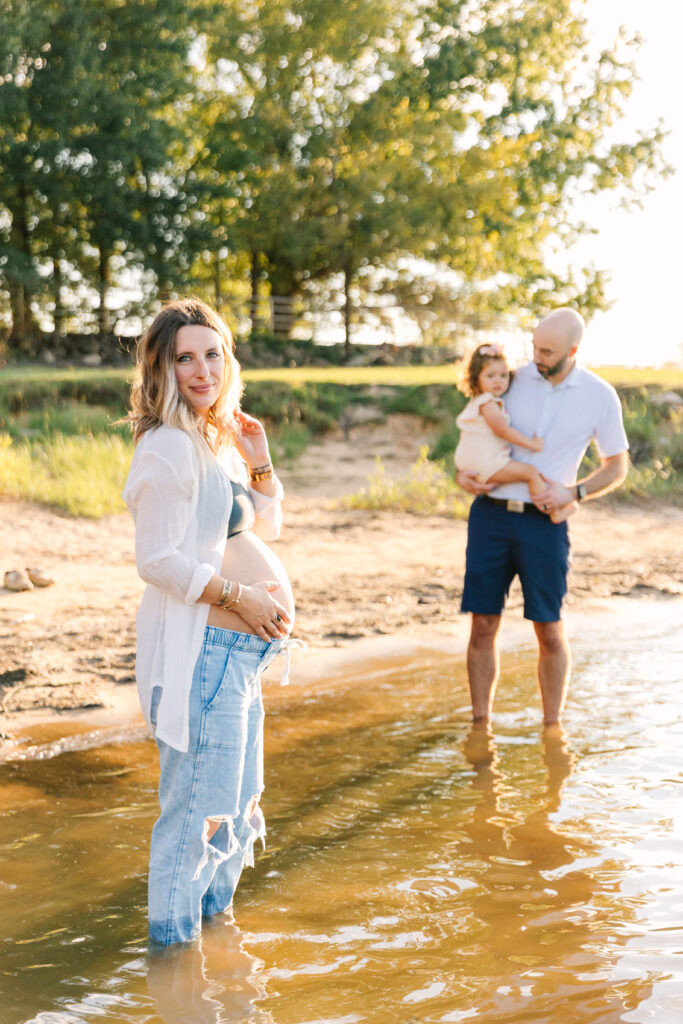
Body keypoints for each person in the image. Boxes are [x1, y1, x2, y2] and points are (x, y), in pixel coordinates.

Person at [122, 297, 295, 947]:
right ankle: (172, 960)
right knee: (193, 820)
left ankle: (213, 955)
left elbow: (266, 523)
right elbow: (156, 561)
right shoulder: (167, 446)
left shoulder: (210, 440)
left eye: (212, 354)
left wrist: (258, 457)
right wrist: (239, 599)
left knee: (233, 813)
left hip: (239, 659)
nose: (202, 370)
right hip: (205, 654)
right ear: (160, 369)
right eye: (184, 358)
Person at [457, 307, 629, 726]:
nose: (536, 356)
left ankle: (552, 731)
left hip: (545, 525)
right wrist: (463, 474)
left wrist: (577, 492)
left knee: (549, 630)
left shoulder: (599, 395)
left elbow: (616, 466)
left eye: (547, 350)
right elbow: (477, 432)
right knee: (482, 625)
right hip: (491, 517)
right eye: (534, 345)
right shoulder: (509, 380)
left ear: (573, 350)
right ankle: (480, 726)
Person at [454, 343, 575, 524]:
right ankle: (553, 511)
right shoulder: (487, 403)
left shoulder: (482, 401)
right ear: (476, 378)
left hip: (474, 461)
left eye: (503, 375)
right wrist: (532, 444)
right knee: (531, 473)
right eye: (490, 375)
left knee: (530, 473)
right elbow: (502, 430)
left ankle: (552, 507)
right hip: (485, 463)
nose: (498, 381)